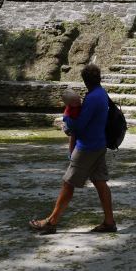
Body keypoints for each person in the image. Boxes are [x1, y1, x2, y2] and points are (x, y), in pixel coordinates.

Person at [29, 64, 117, 235]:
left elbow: (80, 125)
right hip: (99, 144)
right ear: (98, 78)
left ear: (85, 81)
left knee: (68, 183)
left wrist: (66, 119)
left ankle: (51, 222)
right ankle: (109, 221)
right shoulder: (102, 93)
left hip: (87, 147)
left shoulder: (92, 98)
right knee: (100, 182)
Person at [61, 88, 82, 158]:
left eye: (78, 98)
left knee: (73, 138)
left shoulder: (76, 105)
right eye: (75, 101)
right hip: (69, 125)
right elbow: (68, 119)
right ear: (69, 104)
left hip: (70, 122)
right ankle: (71, 153)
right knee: (73, 138)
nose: (78, 101)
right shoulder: (71, 110)